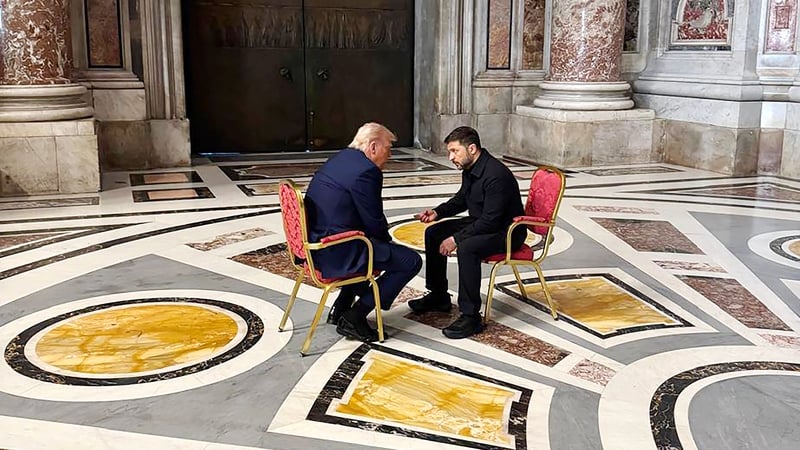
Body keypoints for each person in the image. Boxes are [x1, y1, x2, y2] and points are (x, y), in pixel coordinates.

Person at [304, 122, 422, 342]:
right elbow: (374, 220)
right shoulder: (367, 171)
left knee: (373, 246)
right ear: (373, 146)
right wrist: (388, 246)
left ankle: (341, 306)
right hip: (337, 250)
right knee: (409, 261)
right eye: (388, 148)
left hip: (317, 244)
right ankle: (355, 316)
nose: (389, 155)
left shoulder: (340, 159)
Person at [411, 126, 525, 339]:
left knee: (468, 247)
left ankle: (471, 315)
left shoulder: (496, 175)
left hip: (506, 231)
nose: (450, 157)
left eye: (455, 151)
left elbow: (491, 221)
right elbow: (462, 199)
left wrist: (456, 239)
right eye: (450, 152)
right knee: (434, 233)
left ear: (471, 148)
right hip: (482, 222)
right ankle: (438, 295)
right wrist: (438, 212)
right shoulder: (471, 168)